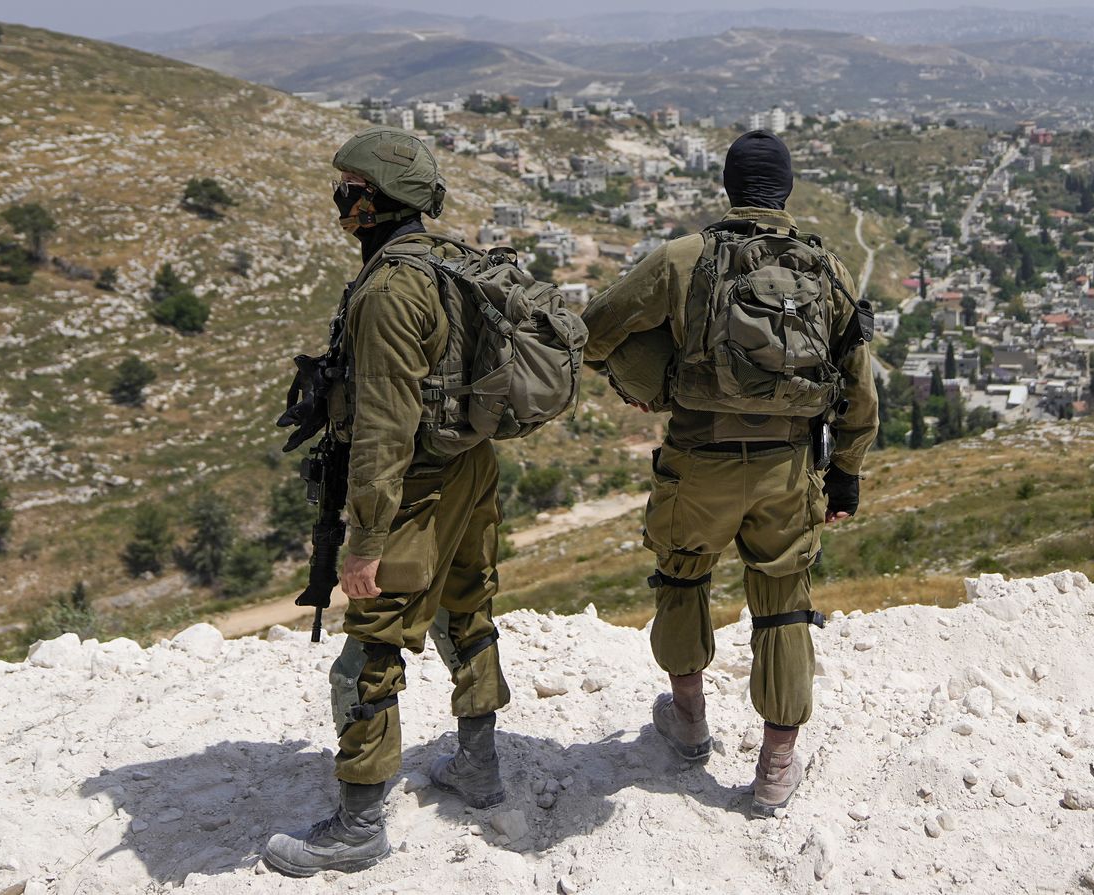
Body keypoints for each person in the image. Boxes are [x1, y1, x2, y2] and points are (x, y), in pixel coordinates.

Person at [581, 130, 879, 818]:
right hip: (787, 468)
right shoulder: (827, 270)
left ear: (728, 186)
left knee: (681, 575)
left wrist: (641, 379)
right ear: (787, 191)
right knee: (783, 603)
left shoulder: (682, 259)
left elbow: (594, 330)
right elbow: (860, 391)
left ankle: (688, 721)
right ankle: (775, 766)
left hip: (697, 462)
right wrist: (847, 475)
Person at [262, 127, 512, 877]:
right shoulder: (448, 261)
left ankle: (359, 824)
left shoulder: (387, 290)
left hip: (416, 485)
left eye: (349, 188)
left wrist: (366, 538)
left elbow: (383, 425)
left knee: (372, 643)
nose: (340, 200)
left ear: (373, 200)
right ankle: (478, 767)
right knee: (466, 607)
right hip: (472, 467)